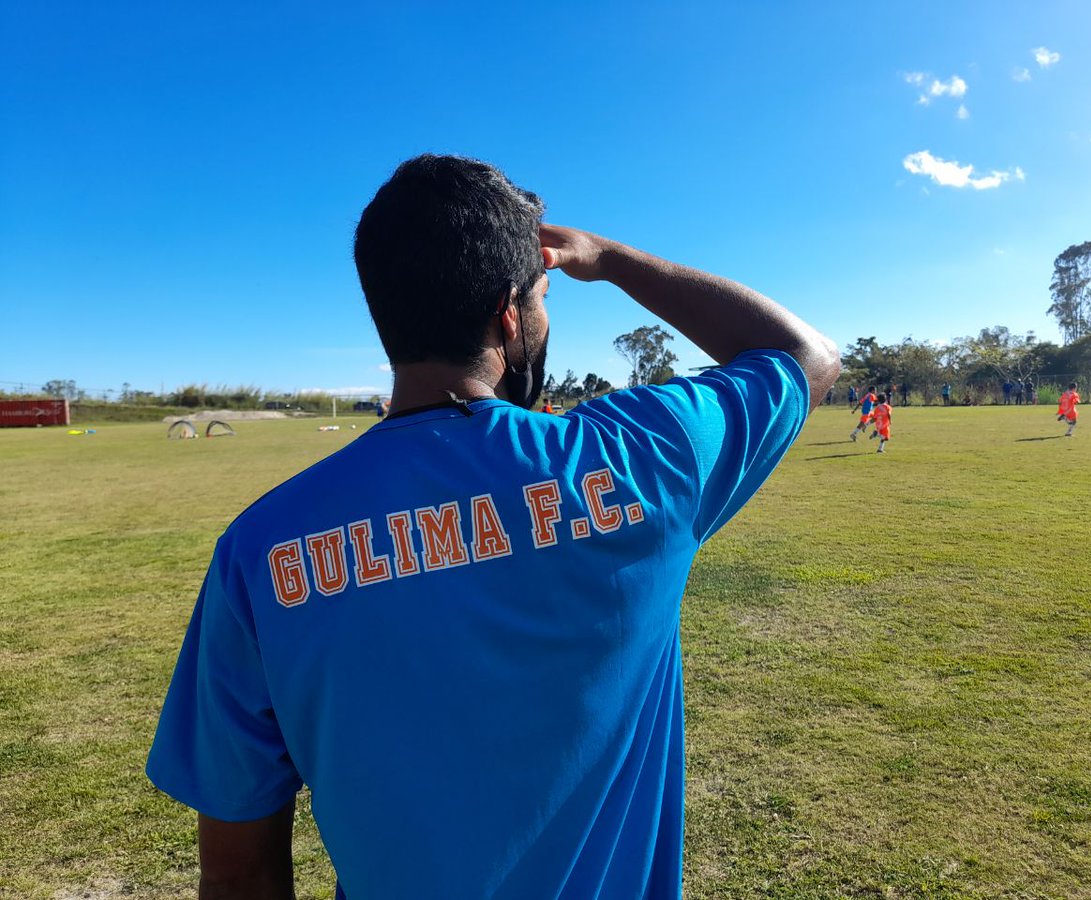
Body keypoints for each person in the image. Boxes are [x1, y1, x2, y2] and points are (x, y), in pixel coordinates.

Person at [144, 154, 841, 899]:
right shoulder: (642, 457)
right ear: (511, 315)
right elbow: (807, 356)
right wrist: (608, 259)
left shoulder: (260, 547)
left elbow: (237, 870)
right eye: (542, 299)